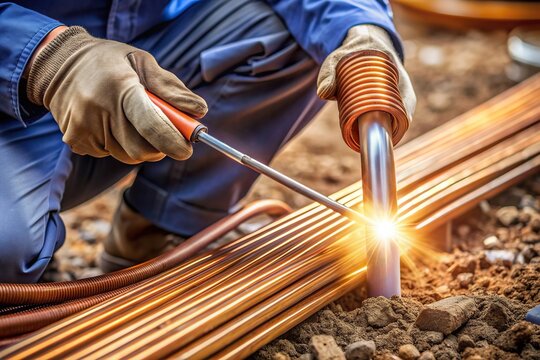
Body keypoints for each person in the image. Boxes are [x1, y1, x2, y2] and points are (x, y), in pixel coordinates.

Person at [0, 0, 415, 283]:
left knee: (305, 30)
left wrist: (361, 28)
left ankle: (161, 230)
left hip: (137, 60)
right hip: (11, 94)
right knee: (7, 250)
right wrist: (47, 57)